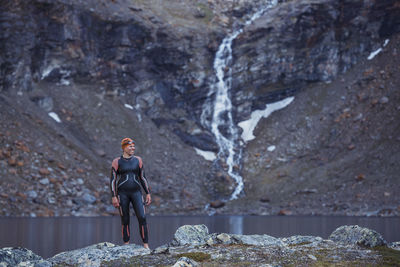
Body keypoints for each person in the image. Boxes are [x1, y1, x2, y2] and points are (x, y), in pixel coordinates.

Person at [110, 138, 151, 248]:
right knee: (125, 219)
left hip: (136, 193)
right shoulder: (117, 161)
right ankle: (126, 244)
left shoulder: (138, 160)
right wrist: (114, 196)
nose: (133, 148)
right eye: (130, 146)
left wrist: (148, 193)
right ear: (124, 147)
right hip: (122, 194)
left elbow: (142, 177)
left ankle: (146, 245)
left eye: (133, 146)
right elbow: (113, 180)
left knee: (142, 217)